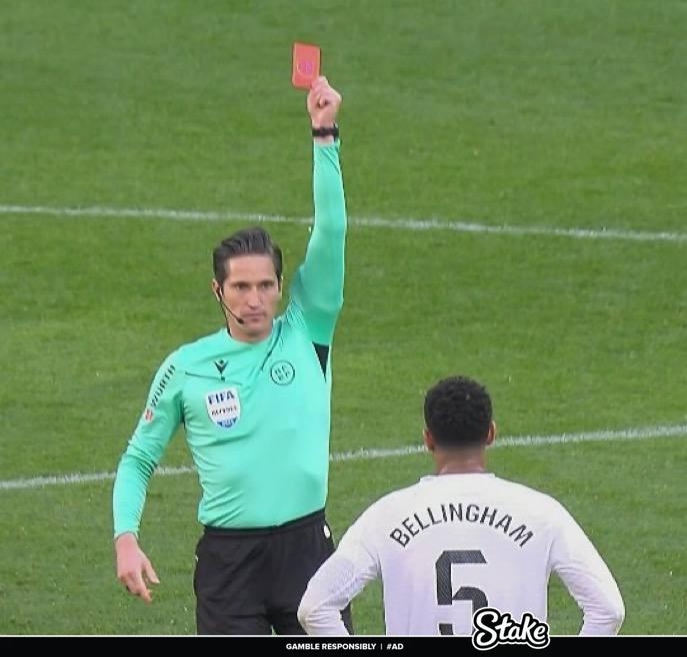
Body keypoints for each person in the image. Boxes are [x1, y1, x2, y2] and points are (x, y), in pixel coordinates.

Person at [112, 76, 354, 636]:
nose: (254, 300)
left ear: (280, 286)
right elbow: (138, 458)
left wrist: (325, 135)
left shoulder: (308, 330)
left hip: (309, 553)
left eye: (265, 285)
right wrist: (126, 538)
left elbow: (332, 231)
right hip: (229, 563)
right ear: (217, 291)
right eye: (241, 287)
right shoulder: (186, 366)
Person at [298, 375, 625, 637]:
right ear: (491, 433)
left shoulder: (385, 516)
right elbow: (608, 610)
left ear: (428, 439)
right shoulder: (542, 513)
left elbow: (316, 607)